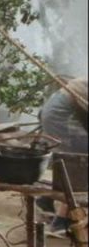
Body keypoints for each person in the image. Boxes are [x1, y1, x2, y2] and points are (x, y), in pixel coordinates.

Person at [37, 77, 88, 235]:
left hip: (53, 111)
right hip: (61, 116)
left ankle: (46, 200)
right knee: (79, 163)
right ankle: (60, 222)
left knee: (69, 162)